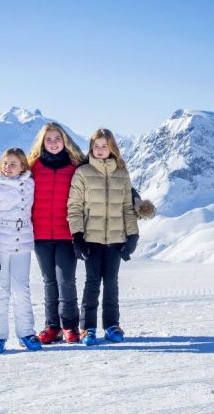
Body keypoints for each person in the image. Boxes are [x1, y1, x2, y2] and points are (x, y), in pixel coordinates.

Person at [67, 128, 139, 346]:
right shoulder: (83, 173)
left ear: (112, 148)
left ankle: (111, 325)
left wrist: (133, 235)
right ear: (91, 148)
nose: (99, 150)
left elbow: (128, 207)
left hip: (116, 238)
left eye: (104, 146)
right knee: (92, 283)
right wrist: (77, 235)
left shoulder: (122, 173)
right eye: (96, 146)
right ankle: (87, 328)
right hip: (91, 238)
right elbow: (75, 207)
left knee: (111, 283)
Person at [0, 148, 42, 355]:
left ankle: (26, 333)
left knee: (22, 289)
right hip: (0, 244)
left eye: (13, 164)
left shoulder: (30, 184)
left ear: (23, 166)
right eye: (5, 163)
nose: (8, 167)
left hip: (22, 241)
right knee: (0, 290)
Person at [27, 122, 85, 344]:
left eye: (57, 139)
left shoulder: (75, 166)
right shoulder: (33, 167)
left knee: (66, 281)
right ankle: (52, 327)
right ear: (42, 142)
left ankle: (70, 326)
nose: (53, 143)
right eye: (48, 140)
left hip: (66, 233)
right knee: (49, 281)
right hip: (40, 234)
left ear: (65, 141)